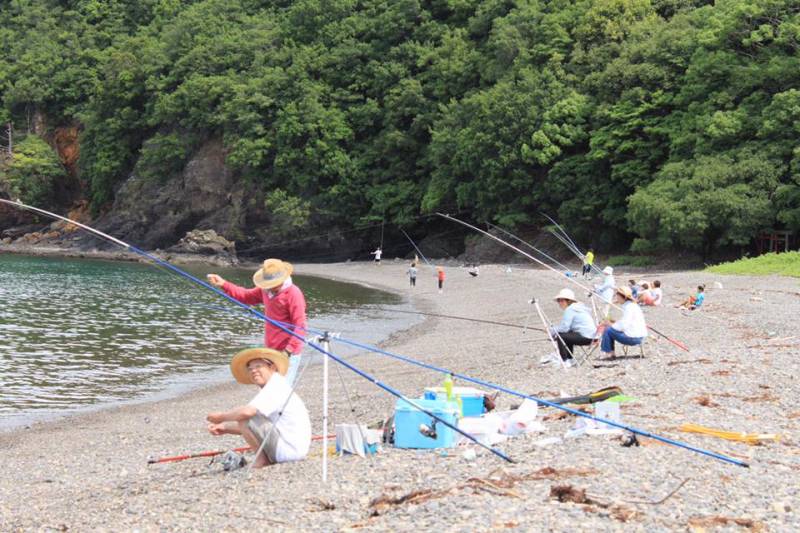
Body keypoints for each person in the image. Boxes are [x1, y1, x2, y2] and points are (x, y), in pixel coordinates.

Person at [206, 348, 311, 468]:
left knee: (245, 414)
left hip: (288, 451)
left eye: (258, 366)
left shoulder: (275, 387)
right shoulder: (277, 385)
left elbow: (247, 414)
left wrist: (220, 417)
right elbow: (254, 427)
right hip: (292, 449)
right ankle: (263, 458)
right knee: (246, 416)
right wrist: (224, 428)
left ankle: (261, 460)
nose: (253, 371)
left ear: (272, 367)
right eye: (250, 369)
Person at [207, 259, 307, 385]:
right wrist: (223, 284)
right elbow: (245, 296)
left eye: (272, 284)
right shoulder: (265, 290)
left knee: (282, 387)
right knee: (269, 385)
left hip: (288, 351)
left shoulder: (293, 293)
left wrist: (288, 350)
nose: (268, 287)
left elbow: (301, 326)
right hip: (271, 349)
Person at [543, 288, 596, 368]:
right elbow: (567, 328)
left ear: (568, 301)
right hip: (592, 336)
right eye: (558, 300)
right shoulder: (578, 307)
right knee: (566, 335)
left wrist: (552, 331)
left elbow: (564, 328)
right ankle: (570, 359)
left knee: (561, 336)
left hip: (586, 337)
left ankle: (565, 360)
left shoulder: (570, 309)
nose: (559, 303)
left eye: (561, 300)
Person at [600, 286, 648, 358]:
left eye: (617, 296)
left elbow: (623, 326)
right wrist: (614, 323)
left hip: (633, 337)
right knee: (610, 328)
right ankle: (610, 352)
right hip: (640, 336)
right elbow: (626, 322)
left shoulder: (629, 307)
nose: (616, 298)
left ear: (623, 297)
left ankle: (609, 353)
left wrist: (610, 324)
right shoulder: (633, 305)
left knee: (607, 330)